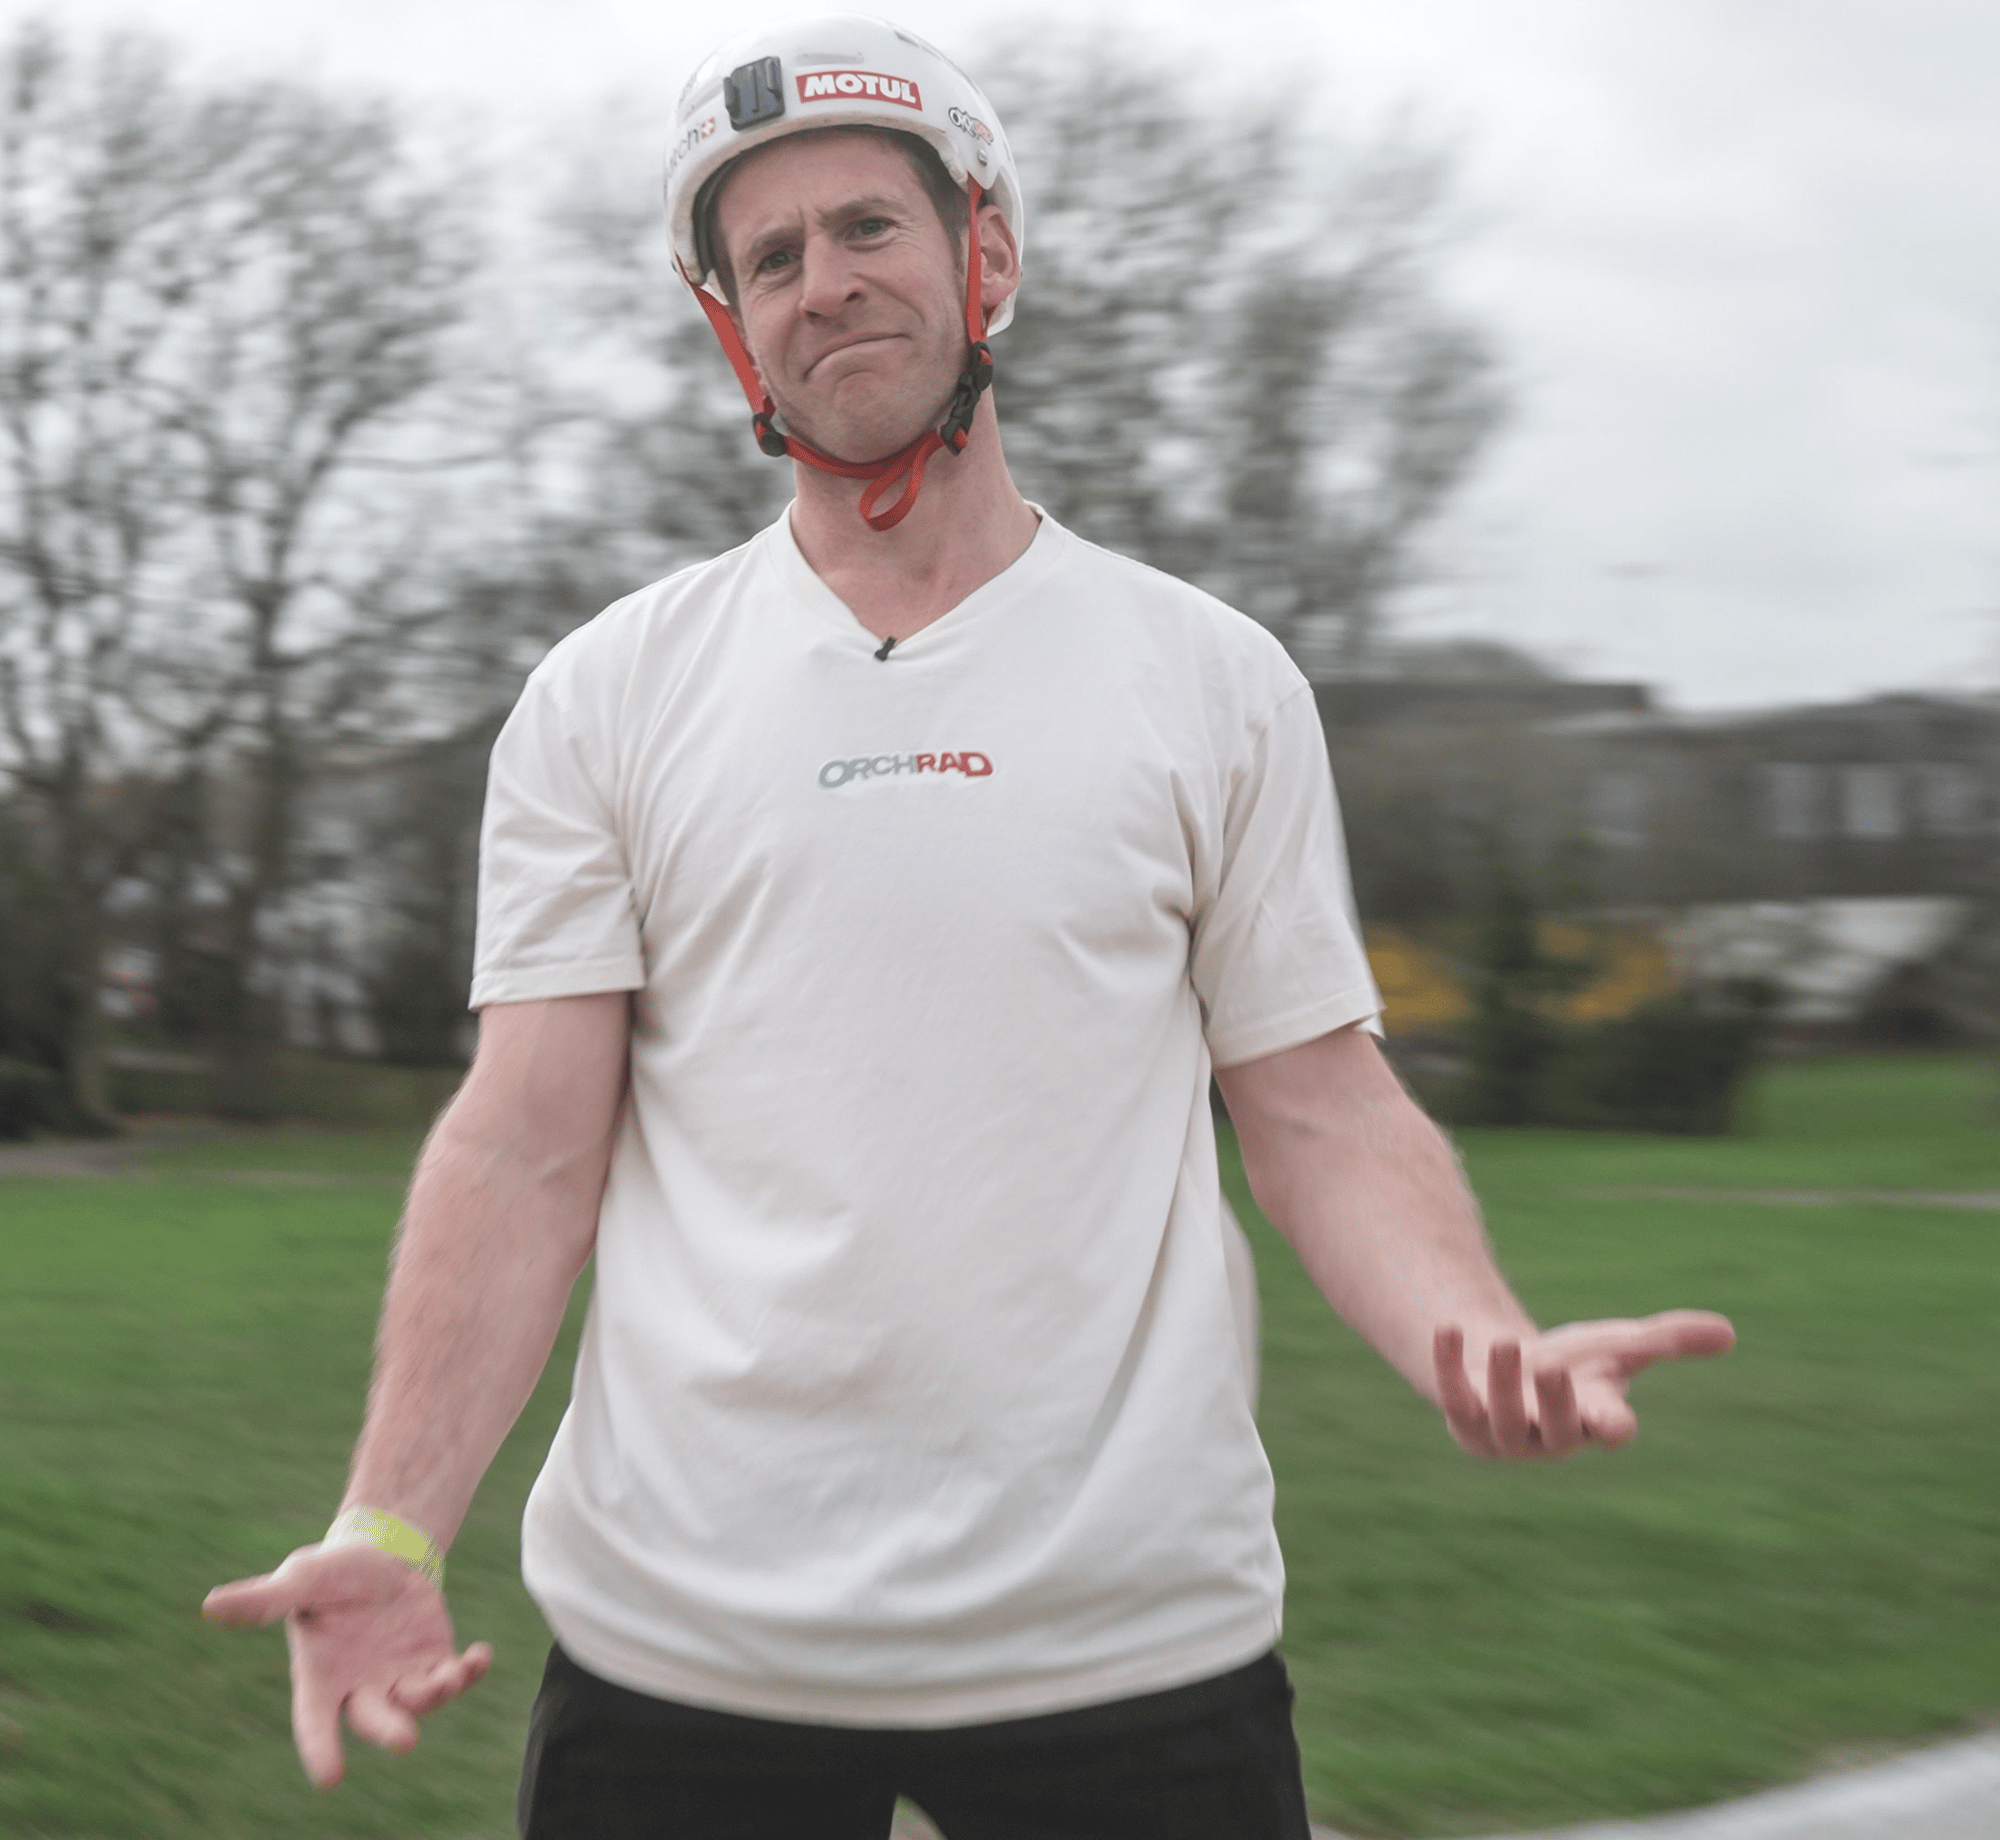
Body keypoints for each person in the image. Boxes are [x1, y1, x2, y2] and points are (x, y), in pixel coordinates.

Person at [205, 16, 1735, 1837]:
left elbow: (1321, 1106)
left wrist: (1475, 1328)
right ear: (732, 326)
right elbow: (527, 1146)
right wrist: (390, 1527)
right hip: (685, 1655)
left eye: (868, 226)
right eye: (771, 257)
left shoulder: (1212, 679)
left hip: (1133, 1647)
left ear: (983, 256)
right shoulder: (605, 697)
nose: (824, 282)